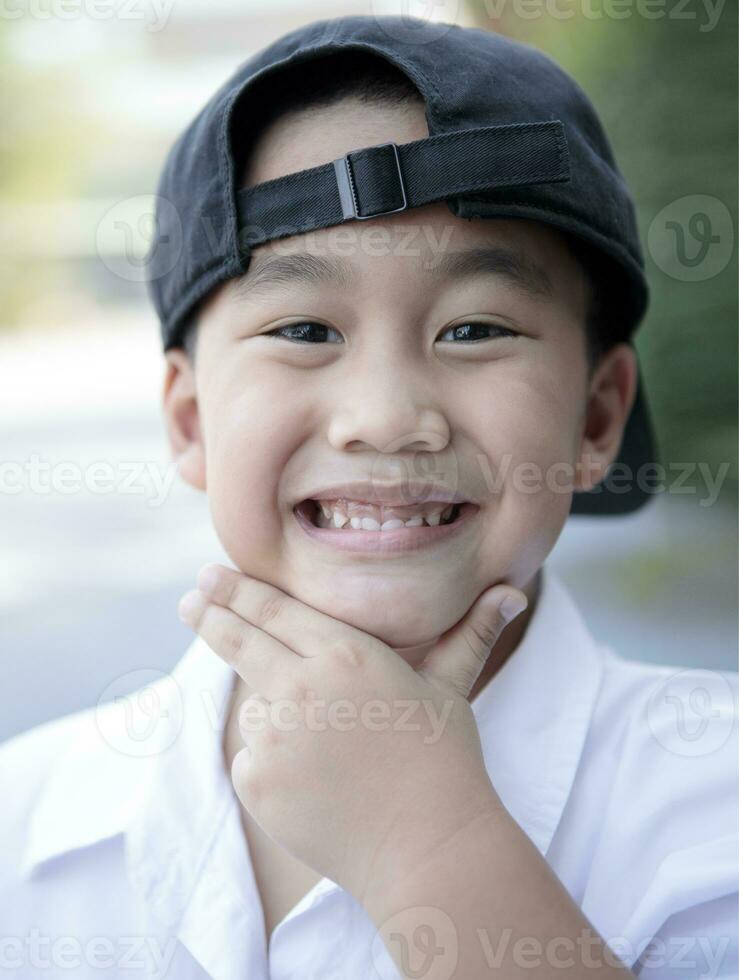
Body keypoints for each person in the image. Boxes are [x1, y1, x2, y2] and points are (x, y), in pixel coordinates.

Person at [1, 16, 736, 980]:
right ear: (189, 422)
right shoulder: (24, 823)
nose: (387, 417)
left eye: (475, 328)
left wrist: (428, 846)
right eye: (304, 326)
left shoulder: (712, 803)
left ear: (596, 420)